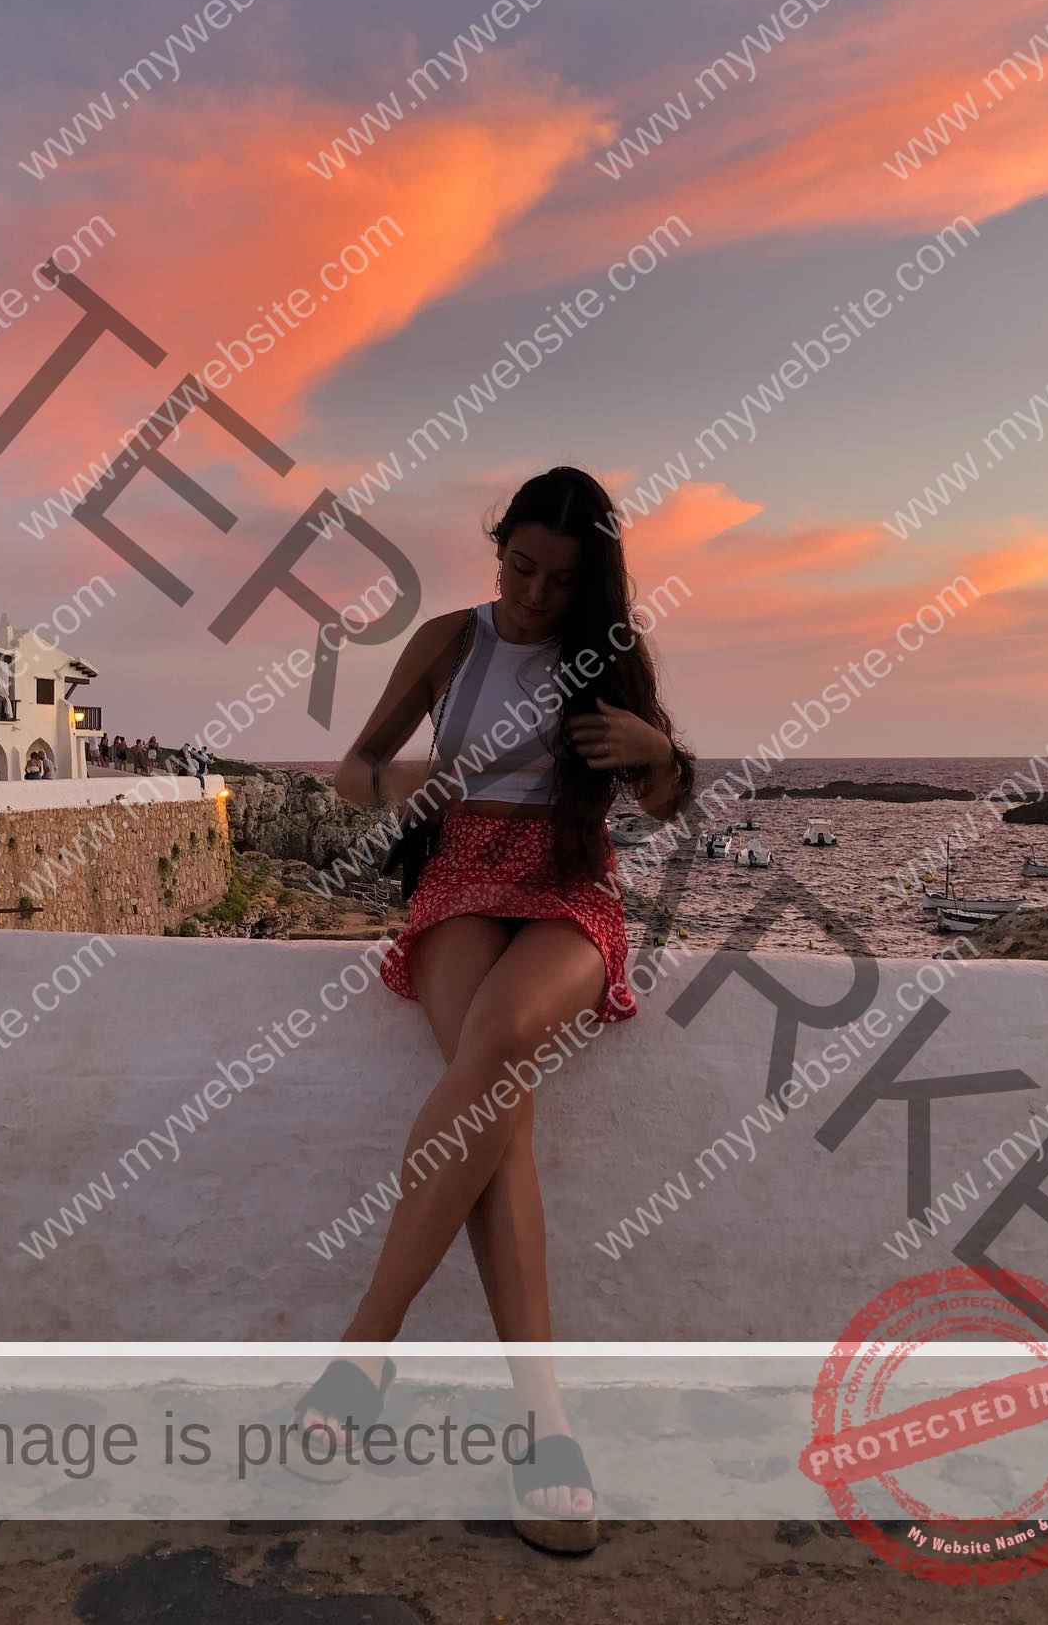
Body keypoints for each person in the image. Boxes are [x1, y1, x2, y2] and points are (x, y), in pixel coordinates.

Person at [289, 468, 694, 1551]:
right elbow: (357, 767)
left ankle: (364, 1351)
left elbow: (664, 803)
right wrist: (406, 793)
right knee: (498, 1100)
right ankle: (544, 1426)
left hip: (568, 878)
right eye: (521, 567)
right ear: (498, 547)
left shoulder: (607, 655)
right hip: (460, 873)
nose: (534, 595)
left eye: (561, 580)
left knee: (503, 1039)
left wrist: (662, 756)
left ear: (589, 581)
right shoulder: (448, 640)